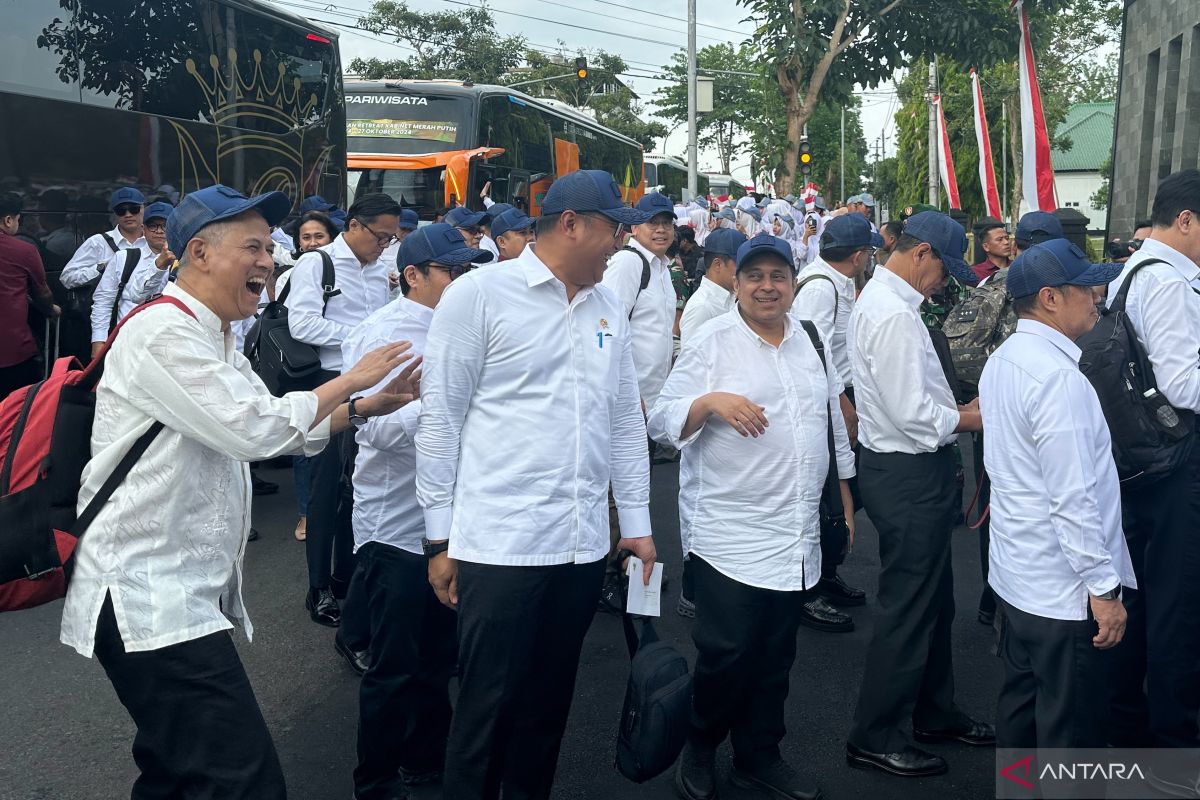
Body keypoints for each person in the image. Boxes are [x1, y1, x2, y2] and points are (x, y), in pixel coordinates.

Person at [58, 184, 416, 800]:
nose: (269, 262)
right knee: (242, 782)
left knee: (178, 775)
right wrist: (350, 379)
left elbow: (280, 425)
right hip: (148, 596)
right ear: (198, 252)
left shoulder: (217, 334)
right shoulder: (163, 334)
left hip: (175, 594)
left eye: (268, 249)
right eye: (253, 248)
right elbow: (254, 429)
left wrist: (358, 406)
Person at [416, 169, 656, 799]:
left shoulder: (607, 306)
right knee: (485, 712)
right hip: (500, 547)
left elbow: (624, 421)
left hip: (578, 548)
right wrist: (439, 541)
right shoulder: (480, 296)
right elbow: (441, 421)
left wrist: (635, 528)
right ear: (571, 223)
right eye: (614, 229)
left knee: (546, 712)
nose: (621, 245)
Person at [650, 233, 854, 800]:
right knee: (726, 654)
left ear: (791, 283)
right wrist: (710, 402)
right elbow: (662, 420)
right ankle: (700, 744)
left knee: (774, 658)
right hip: (730, 532)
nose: (767, 286)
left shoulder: (808, 338)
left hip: (796, 532)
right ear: (735, 283)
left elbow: (831, 419)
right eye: (754, 276)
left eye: (777, 276)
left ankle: (759, 755)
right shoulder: (713, 339)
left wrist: (843, 493)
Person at [343, 223, 488, 800]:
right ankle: (374, 779)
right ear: (413, 276)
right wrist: (438, 410)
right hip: (395, 527)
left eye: (466, 269)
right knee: (394, 667)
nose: (463, 280)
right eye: (452, 271)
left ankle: (426, 759)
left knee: (438, 658)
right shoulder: (384, 335)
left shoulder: (468, 327)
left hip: (455, 526)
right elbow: (369, 430)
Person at [845, 212, 992, 778]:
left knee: (933, 602)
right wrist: (970, 416)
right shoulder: (894, 316)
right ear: (922, 252)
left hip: (905, 469)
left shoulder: (888, 304)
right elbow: (914, 415)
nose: (943, 282)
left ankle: (933, 711)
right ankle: (874, 734)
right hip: (908, 471)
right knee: (909, 608)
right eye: (941, 270)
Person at [980, 239, 1132, 753]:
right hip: (1062, 593)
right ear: (1049, 298)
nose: (1098, 295)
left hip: (1019, 576)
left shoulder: (1005, 358)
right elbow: (1073, 498)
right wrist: (1104, 589)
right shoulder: (1058, 379)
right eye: (1086, 286)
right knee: (1073, 735)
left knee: (1022, 714)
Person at [1105, 169, 1200, 750]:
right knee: (1177, 604)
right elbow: (1183, 383)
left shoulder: (1133, 271)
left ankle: (1128, 722)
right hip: (1174, 458)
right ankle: (1174, 741)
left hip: (1143, 456)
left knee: (1143, 596)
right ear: (1186, 220)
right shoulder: (1167, 281)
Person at [287, 192, 401, 626]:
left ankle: (345, 576)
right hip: (330, 383)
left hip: (372, 384)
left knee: (358, 485)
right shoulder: (318, 263)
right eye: (380, 236)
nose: (384, 245)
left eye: (391, 239)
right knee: (325, 490)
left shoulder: (382, 269)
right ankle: (318, 588)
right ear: (354, 225)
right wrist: (365, 336)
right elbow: (303, 324)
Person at [792, 214, 879, 631]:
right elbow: (814, 354)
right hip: (826, 404)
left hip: (838, 399)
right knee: (823, 495)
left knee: (841, 493)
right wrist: (841, 403)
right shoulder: (821, 287)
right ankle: (806, 589)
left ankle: (824, 572)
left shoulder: (831, 281)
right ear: (859, 255)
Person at [89, 201, 176, 356]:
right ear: (143, 229)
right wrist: (98, 343)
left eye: (165, 226)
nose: (159, 231)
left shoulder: (187, 261)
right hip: (129, 345)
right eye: (153, 226)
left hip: (172, 345)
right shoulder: (124, 258)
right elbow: (103, 302)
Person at [0, 191, 60, 399]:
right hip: (12, 353)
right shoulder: (24, 250)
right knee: (16, 412)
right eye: (18, 219)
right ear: (8, 220)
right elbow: (43, 293)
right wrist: (51, 309)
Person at [60, 186, 147, 291]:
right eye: (121, 211)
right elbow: (67, 278)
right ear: (114, 213)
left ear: (144, 209)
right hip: (108, 305)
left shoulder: (156, 241)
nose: (128, 215)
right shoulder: (97, 242)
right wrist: (102, 268)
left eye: (134, 209)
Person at [678, 228, 743, 347]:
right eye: (740, 264)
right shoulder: (702, 308)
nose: (745, 271)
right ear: (717, 265)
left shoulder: (731, 296)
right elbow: (692, 361)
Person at [970, 219, 1011, 284]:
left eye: (1007, 238)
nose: (1006, 242)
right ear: (986, 247)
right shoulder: (976, 272)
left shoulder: (1017, 266)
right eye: (999, 239)